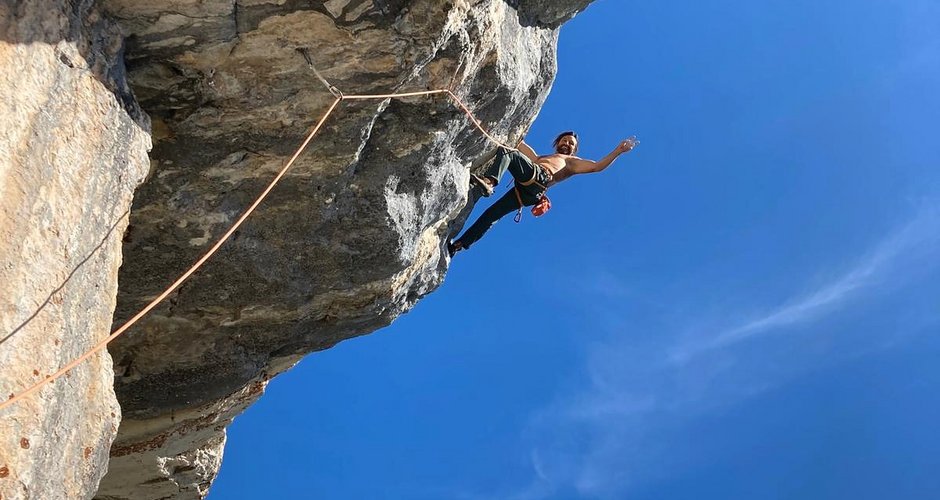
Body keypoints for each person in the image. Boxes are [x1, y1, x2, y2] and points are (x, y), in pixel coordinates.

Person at [447, 131, 638, 257]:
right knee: (492, 215)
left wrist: (618, 151)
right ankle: (460, 244)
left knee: (508, 153)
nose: (567, 144)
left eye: (571, 143)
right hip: (527, 188)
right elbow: (521, 145)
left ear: (574, 149)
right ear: (557, 143)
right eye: (564, 141)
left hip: (539, 181)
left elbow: (596, 167)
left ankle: (490, 182)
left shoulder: (571, 162)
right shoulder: (542, 158)